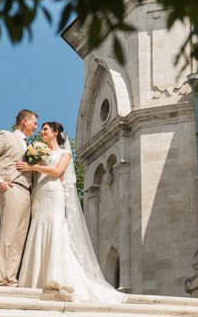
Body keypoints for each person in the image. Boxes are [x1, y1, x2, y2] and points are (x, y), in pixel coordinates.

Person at [16, 121, 125, 303]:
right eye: (41, 129)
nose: (41, 132)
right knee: (38, 229)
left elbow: (58, 170)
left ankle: (57, 277)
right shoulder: (39, 152)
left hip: (54, 194)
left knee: (55, 230)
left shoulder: (64, 153)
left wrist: (33, 167)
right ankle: (36, 279)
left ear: (56, 132)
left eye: (45, 130)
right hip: (39, 195)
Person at [0, 109, 38, 287]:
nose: (36, 127)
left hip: (27, 191)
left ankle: (11, 278)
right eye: (34, 123)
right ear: (25, 122)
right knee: (8, 234)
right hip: (10, 187)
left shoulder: (30, 146)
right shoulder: (6, 136)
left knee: (19, 237)